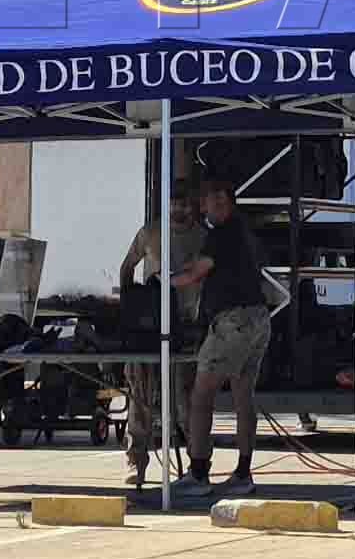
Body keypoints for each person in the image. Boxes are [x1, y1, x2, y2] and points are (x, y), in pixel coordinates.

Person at [170, 177, 273, 496]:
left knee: (201, 395)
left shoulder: (222, 234)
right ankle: (243, 473)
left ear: (224, 202)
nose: (206, 210)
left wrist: (161, 281)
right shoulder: (244, 232)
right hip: (258, 319)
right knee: (243, 396)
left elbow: (195, 274)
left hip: (233, 322)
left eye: (212, 203)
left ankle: (199, 473)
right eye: (205, 204)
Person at [116, 180, 206, 490]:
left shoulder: (203, 237)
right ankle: (137, 461)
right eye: (174, 203)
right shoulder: (150, 232)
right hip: (149, 328)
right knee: (140, 396)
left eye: (184, 203)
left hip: (187, 327)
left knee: (186, 400)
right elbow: (127, 267)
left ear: (193, 205)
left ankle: (196, 466)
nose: (179, 209)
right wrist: (130, 307)